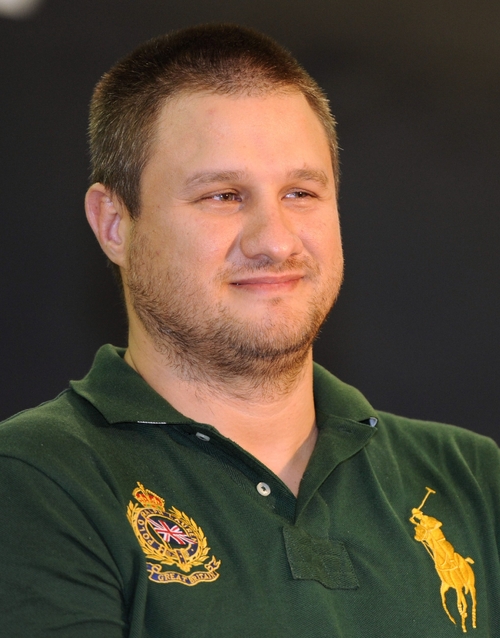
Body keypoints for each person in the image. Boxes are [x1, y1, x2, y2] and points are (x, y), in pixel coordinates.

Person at [0, 23, 498, 637]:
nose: (275, 242)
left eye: (301, 192)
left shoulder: (473, 480)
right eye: (224, 196)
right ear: (114, 224)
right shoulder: (36, 479)